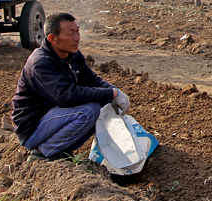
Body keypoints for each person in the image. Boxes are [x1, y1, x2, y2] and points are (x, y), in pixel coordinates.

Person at [12, 12, 131, 160]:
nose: (77, 38)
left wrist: (115, 92)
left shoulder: (72, 55)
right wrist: (110, 94)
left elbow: (91, 79)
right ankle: (43, 153)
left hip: (54, 117)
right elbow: (67, 96)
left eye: (77, 31)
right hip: (33, 128)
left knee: (102, 107)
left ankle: (61, 151)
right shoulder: (41, 63)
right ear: (52, 38)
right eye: (70, 33)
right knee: (89, 111)